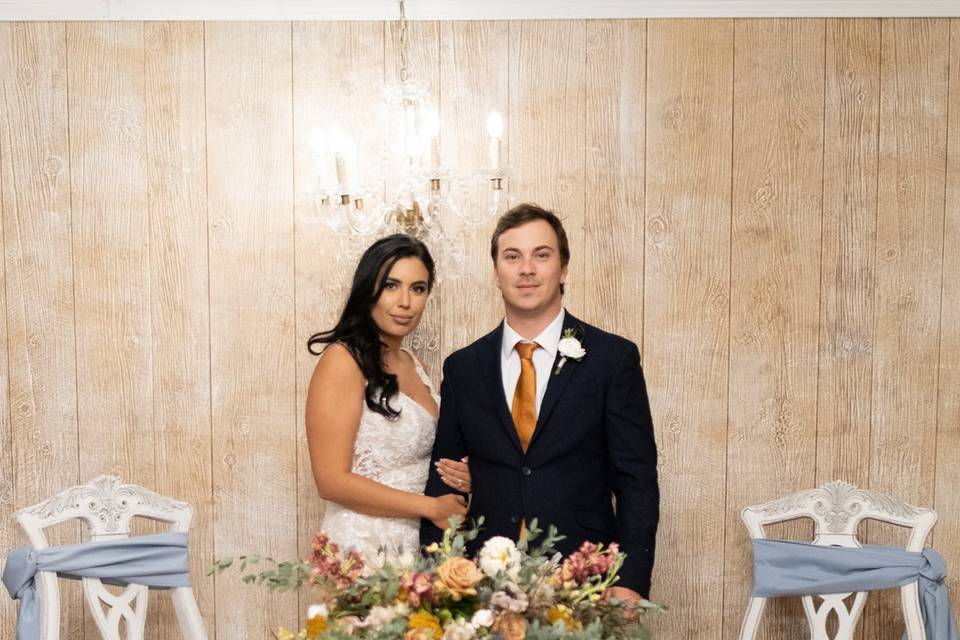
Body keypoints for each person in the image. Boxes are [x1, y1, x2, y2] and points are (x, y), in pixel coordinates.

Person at [420, 204, 660, 601]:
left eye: (541, 255)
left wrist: (630, 580)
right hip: (484, 582)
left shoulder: (611, 358)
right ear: (496, 272)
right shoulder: (464, 367)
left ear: (563, 268)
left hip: (585, 577)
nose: (526, 269)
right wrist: (436, 576)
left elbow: (636, 480)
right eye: (512, 257)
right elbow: (444, 480)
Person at [305, 234, 472, 564]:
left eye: (418, 288)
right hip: (362, 543)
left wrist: (464, 473)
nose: (405, 302)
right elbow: (331, 481)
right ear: (369, 290)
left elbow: (426, 455)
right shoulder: (342, 361)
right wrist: (430, 507)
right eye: (391, 286)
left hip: (418, 542)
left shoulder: (415, 365)